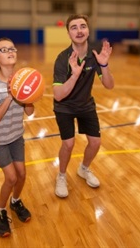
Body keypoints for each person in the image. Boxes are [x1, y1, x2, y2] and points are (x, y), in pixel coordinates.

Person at [52, 14, 114, 198]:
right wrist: (75, 75)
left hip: (86, 104)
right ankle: (61, 175)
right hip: (64, 106)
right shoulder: (63, 59)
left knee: (95, 142)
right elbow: (58, 94)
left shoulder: (95, 54)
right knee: (68, 144)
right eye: (74, 27)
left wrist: (104, 65)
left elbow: (109, 85)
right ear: (68, 33)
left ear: (88, 30)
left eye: (83, 26)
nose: (79, 30)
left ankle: (83, 169)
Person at [0, 37, 33, 237]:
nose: (10, 51)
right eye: (4, 50)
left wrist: (28, 96)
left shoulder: (23, 78)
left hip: (15, 135)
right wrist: (11, 95)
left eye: (12, 48)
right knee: (11, 177)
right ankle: (0, 210)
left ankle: (15, 201)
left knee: (22, 174)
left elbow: (29, 111)